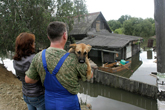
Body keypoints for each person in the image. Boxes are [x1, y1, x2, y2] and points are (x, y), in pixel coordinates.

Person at [25, 21, 92, 110]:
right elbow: (89, 76)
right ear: (64, 35)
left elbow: (28, 80)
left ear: (48, 37)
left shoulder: (38, 57)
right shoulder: (75, 59)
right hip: (69, 104)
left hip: (49, 103)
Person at [13, 32, 45, 110]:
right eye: (33, 42)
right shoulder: (35, 58)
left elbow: (19, 77)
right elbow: (43, 77)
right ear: (29, 45)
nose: (34, 44)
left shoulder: (15, 60)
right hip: (38, 95)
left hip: (26, 94)